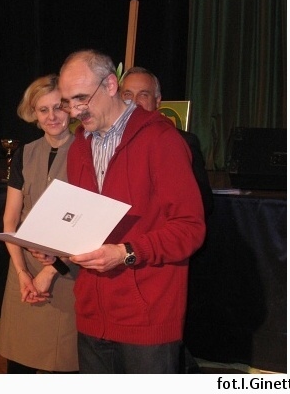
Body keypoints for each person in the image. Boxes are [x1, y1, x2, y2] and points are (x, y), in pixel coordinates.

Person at [55, 49, 206, 373]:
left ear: (111, 85)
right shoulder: (79, 146)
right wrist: (56, 244)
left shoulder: (161, 140)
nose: (75, 111)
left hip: (146, 320)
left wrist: (126, 253)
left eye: (81, 98)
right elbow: (84, 222)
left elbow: (190, 228)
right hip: (92, 316)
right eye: (67, 102)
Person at [0, 74, 79, 374]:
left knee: (61, 365)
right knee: (19, 365)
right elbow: (10, 220)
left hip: (67, 271)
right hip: (23, 271)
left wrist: (51, 271)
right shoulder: (25, 153)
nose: (52, 116)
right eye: (43, 109)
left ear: (70, 109)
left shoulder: (86, 152)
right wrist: (22, 273)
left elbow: (87, 227)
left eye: (58, 107)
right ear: (33, 113)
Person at [120, 66, 214, 218]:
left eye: (143, 95)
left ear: (157, 101)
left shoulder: (183, 141)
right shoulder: (107, 141)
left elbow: (202, 203)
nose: (134, 102)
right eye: (128, 95)